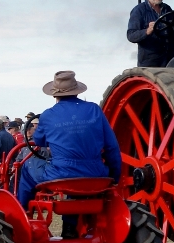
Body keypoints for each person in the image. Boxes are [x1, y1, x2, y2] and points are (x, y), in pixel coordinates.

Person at [17, 71, 121, 208]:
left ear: (54, 94)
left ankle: (23, 212)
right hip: (96, 173)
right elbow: (112, 147)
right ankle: (70, 226)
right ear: (77, 91)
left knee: (28, 166)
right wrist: (114, 176)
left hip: (61, 174)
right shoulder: (94, 109)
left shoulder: (48, 115)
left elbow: (38, 141)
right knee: (75, 176)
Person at [127, 0, 174, 68]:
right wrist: (147, 31)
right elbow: (131, 35)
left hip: (170, 59)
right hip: (150, 62)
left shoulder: (167, 9)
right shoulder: (139, 10)